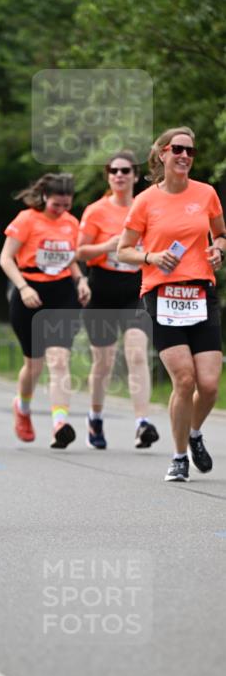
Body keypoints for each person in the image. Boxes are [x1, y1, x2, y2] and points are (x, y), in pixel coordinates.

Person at [118, 126, 225, 481]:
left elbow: (221, 235)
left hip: (200, 293)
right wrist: (151, 256)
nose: (184, 156)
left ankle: (193, 433)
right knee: (184, 379)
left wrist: (219, 250)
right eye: (178, 149)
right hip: (162, 295)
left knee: (209, 384)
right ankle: (179, 457)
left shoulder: (206, 193)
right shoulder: (145, 201)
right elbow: (123, 250)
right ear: (162, 153)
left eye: (190, 151)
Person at [0, 172, 89, 448]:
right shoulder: (27, 219)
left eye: (66, 205)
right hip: (30, 295)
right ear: (44, 197)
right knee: (34, 366)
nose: (61, 210)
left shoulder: (71, 223)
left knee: (59, 360)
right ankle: (22, 408)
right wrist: (23, 288)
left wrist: (81, 280)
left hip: (62, 295)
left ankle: (60, 423)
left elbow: (70, 259)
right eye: (56, 205)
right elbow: (5, 258)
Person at [77, 151, 158, 450]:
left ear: (135, 176)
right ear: (108, 176)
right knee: (104, 362)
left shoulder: (146, 207)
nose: (119, 175)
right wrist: (108, 246)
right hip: (102, 290)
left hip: (135, 289)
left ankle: (142, 423)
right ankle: (95, 417)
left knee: (137, 354)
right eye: (114, 171)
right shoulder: (95, 211)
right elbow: (79, 251)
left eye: (125, 171)